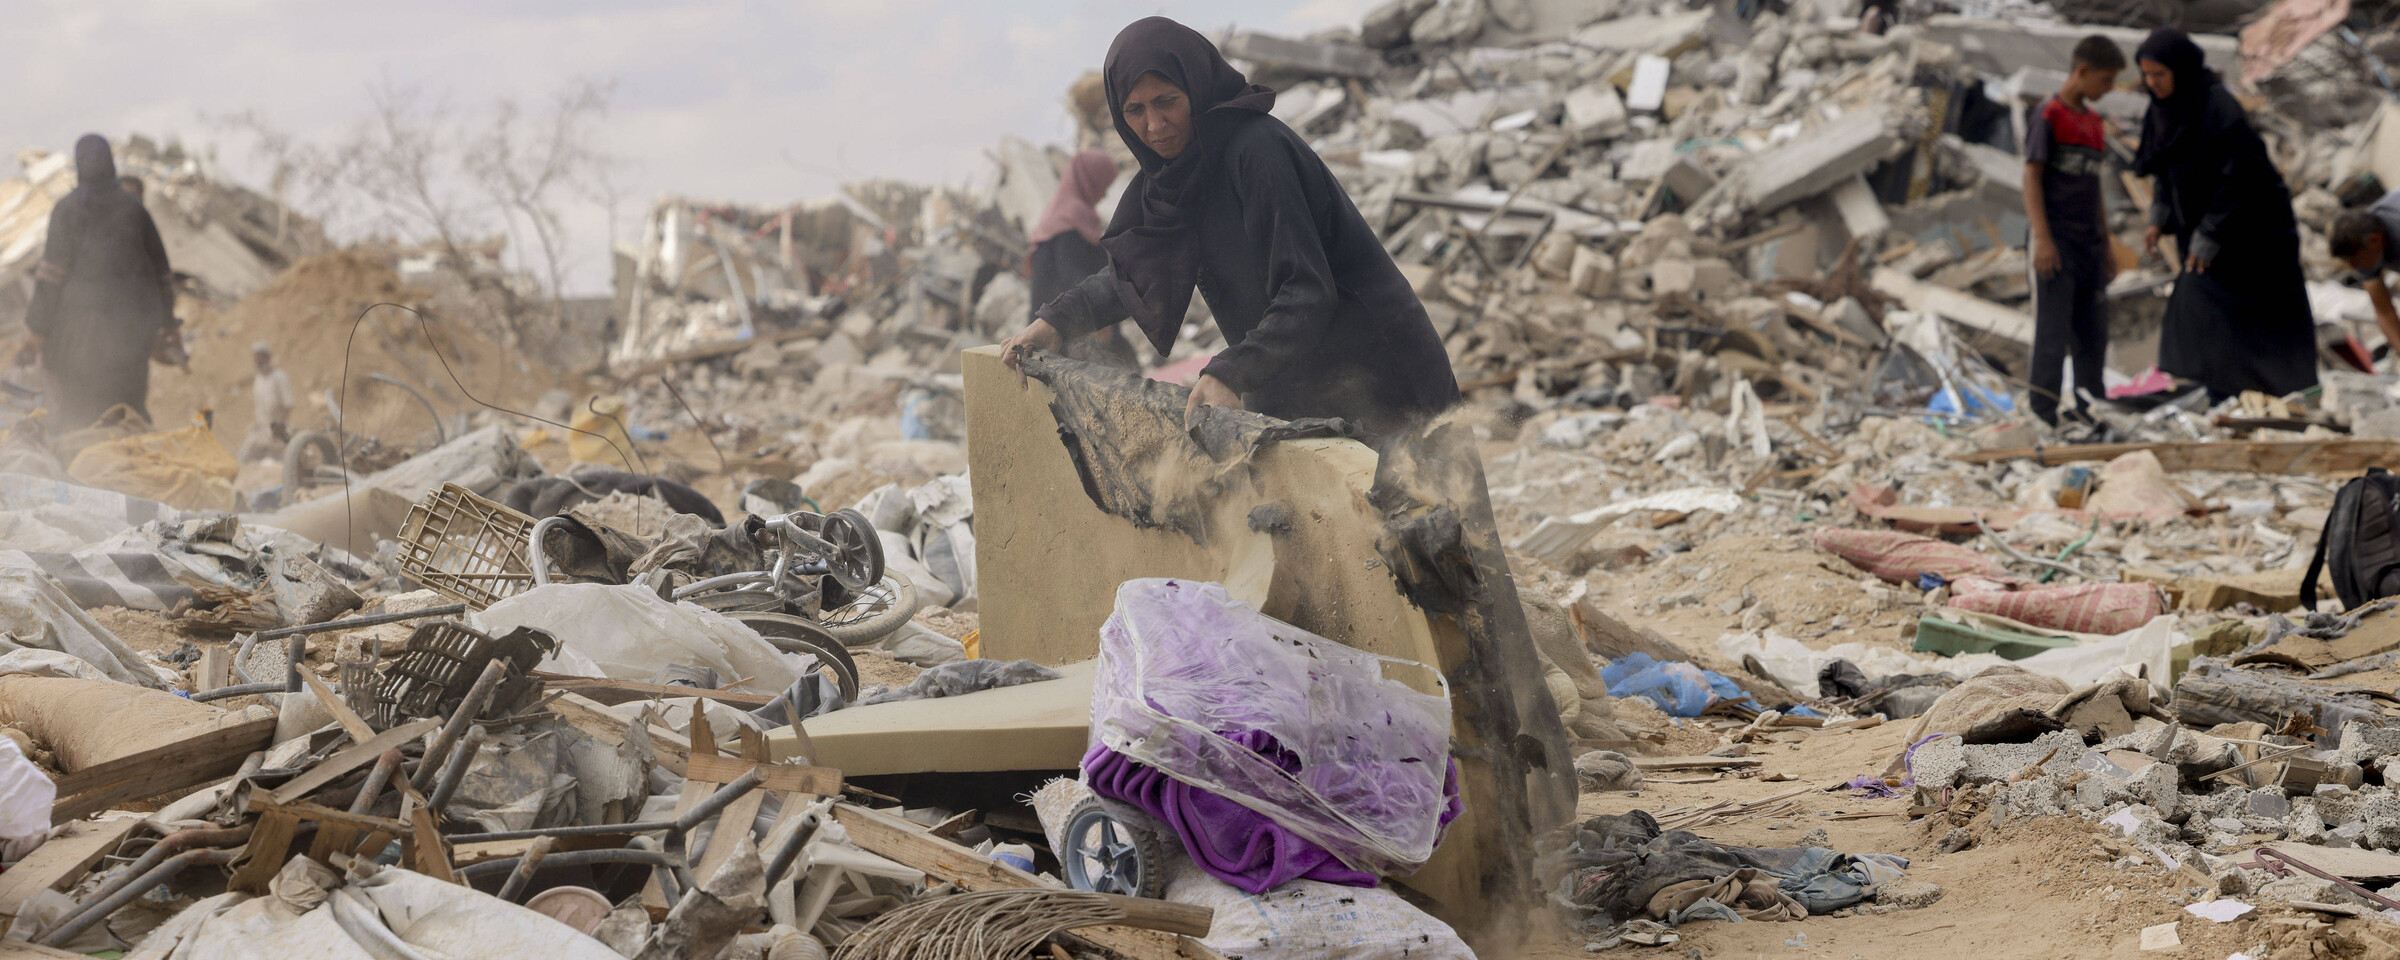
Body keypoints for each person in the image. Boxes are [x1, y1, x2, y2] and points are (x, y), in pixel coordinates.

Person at [999, 17, 1459, 435]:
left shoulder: (1257, 151)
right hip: (1292, 372)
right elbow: (1140, 268)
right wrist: (1055, 322)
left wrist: (1232, 370)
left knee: (1423, 514)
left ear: (1196, 89)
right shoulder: (1175, 174)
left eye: (1166, 102)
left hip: (1378, 369)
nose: (1154, 125)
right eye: (1134, 111)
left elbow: (1306, 289)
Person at [2134, 28, 2318, 403]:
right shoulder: (2162, 111)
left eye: (2159, 74)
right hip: (2207, 233)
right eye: (2147, 75)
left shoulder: (2219, 108)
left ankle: (2285, 396)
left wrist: (2210, 234)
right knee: (2205, 317)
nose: (2152, 84)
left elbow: (2239, 179)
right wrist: (2158, 217)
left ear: (2181, 70)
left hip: (2254, 237)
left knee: (2263, 319)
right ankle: (2222, 396)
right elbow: (2166, 168)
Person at [20, 135, 175, 429]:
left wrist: (37, 329)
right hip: (132, 338)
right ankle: (134, 465)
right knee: (129, 411)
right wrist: (168, 322)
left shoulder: (67, 210)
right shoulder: (134, 209)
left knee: (80, 416)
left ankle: (84, 467)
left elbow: (50, 277)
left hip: (79, 341)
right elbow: (163, 274)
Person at [2021, 35, 2125, 428]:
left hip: (2089, 245)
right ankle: (2043, 414)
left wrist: (2107, 244)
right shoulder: (2049, 114)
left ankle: (2089, 409)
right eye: (2106, 79)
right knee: (2052, 334)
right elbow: (2032, 177)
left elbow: (2094, 186)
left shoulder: (2094, 124)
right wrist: (2042, 238)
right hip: (2058, 242)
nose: (2109, 89)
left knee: (2092, 334)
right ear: (2082, 72)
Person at [1026, 150, 1135, 367]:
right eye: (1102, 184)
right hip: (1070, 327)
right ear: (1089, 180)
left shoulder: (1064, 215)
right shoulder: (1070, 219)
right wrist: (1095, 317)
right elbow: (1072, 274)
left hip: (1060, 321)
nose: (1103, 193)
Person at [2330, 196, 2400, 362]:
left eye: (2356, 261)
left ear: (2374, 241)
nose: (2355, 269)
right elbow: (2384, 311)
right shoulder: (2364, 236)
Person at [239, 341, 295, 462]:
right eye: (256, 358)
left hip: (279, 430)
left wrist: (278, 428)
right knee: (245, 456)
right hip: (263, 430)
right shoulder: (258, 380)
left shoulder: (279, 377)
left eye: (260, 357)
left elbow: (289, 405)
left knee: (278, 462)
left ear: (267, 358)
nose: (258, 361)